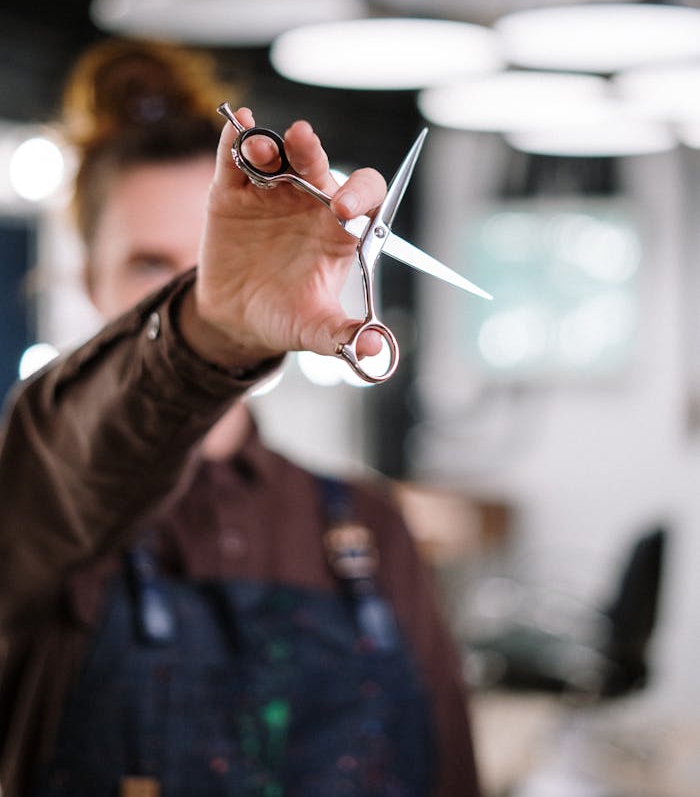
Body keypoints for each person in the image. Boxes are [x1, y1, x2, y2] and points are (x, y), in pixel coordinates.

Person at [0, 39, 481, 797]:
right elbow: (65, 448)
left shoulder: (369, 527)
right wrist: (211, 327)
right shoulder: (34, 494)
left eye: (215, 254)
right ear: (87, 279)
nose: (205, 278)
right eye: (153, 267)